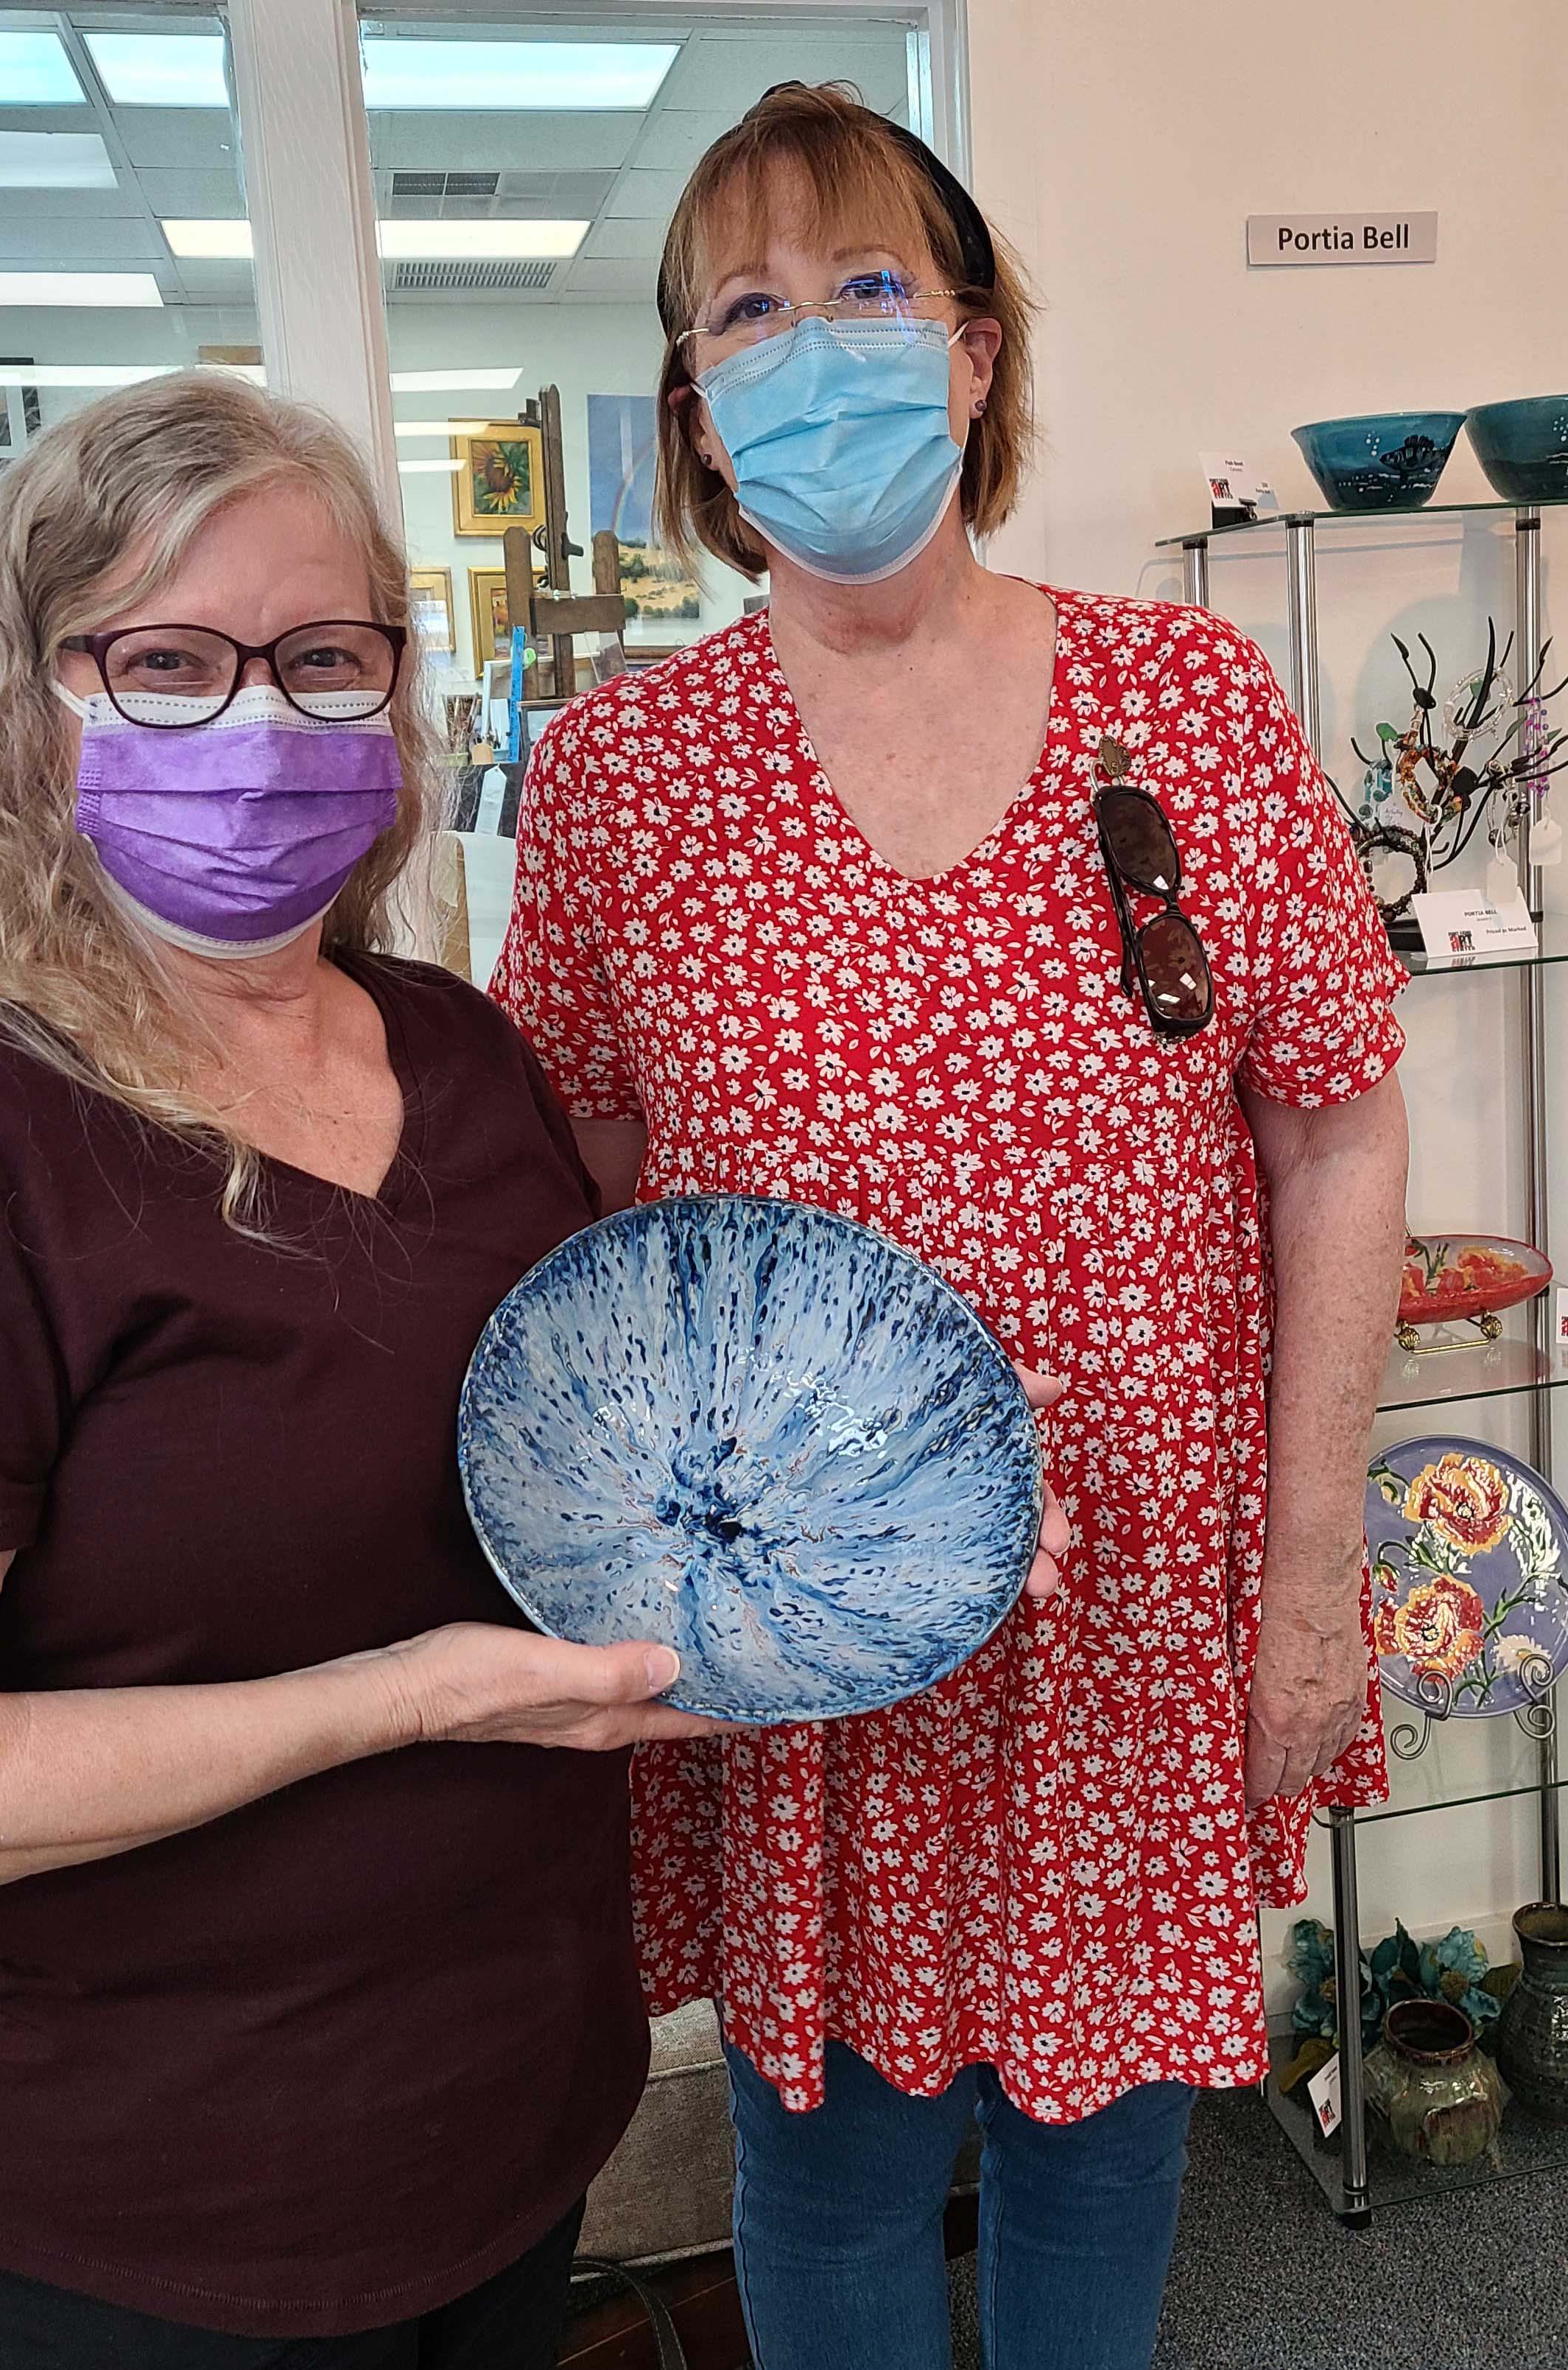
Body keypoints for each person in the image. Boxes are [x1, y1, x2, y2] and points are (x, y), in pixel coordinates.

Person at [493, 82, 1410, 2370]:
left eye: (870, 290)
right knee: (832, 2157)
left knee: (1109, 2148)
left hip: (1142, 1596)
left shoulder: (1180, 700)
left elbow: (1334, 1131)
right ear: (699, 415)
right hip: (810, 1640)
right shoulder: (621, 780)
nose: (816, 347)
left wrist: (1306, 1574)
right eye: (749, 309)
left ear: (976, 349)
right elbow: (584, 1203)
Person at [0, 371, 720, 2370]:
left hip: (496, 2134)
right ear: (29, 703)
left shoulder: (457, 1053)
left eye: (320, 657)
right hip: (128, 2235)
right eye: (165, 660)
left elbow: (583, 1465)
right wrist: (392, 1701)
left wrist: (888, 1529)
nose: (255, 722)